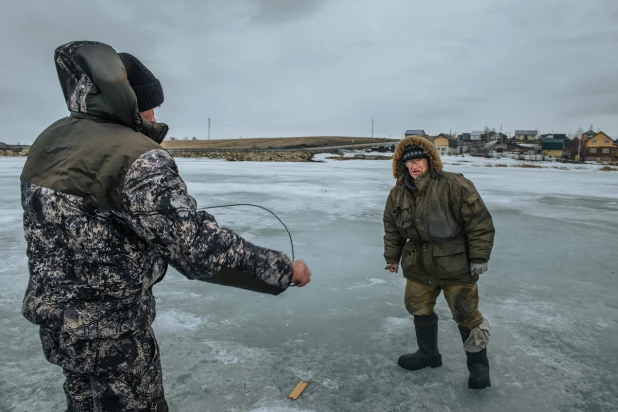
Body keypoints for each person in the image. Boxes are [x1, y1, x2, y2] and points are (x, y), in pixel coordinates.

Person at [20, 40, 311, 411]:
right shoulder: (135, 156)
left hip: (59, 326)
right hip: (112, 333)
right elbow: (194, 246)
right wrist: (282, 270)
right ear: (130, 100)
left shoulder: (49, 140)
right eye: (152, 104)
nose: (157, 115)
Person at [383, 135, 495, 389]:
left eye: (419, 160)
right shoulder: (397, 193)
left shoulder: (455, 185)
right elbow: (392, 229)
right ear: (402, 165)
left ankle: (478, 368)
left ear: (430, 161)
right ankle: (428, 355)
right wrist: (392, 257)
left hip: (455, 265)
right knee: (418, 307)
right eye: (409, 162)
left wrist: (479, 256)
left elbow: (479, 222)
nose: (414, 166)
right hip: (418, 265)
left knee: (467, 315)